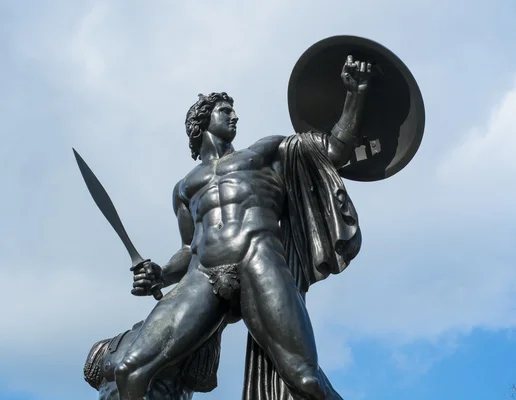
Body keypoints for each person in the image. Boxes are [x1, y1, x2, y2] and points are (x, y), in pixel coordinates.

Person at [115, 55, 370, 400]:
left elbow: (336, 151)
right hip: (202, 276)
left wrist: (356, 94)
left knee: (304, 378)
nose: (235, 116)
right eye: (225, 111)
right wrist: (159, 275)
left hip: (258, 258)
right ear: (203, 120)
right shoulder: (184, 187)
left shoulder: (265, 152)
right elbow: (189, 248)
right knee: (129, 369)